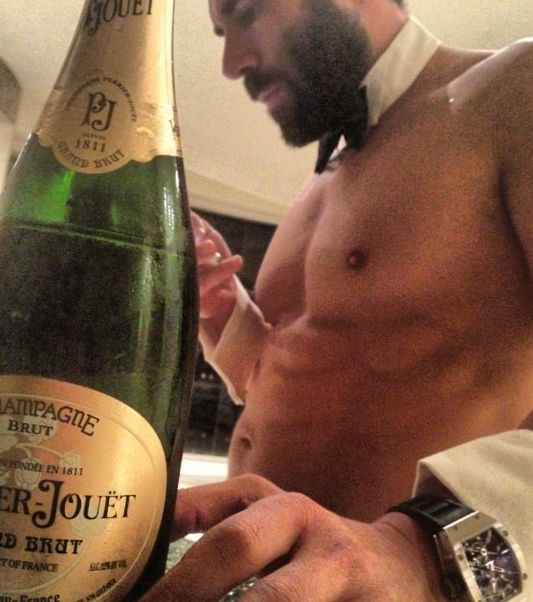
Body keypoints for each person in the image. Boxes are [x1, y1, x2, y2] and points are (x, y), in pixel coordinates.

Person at [143, 0, 533, 599]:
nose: (230, 62)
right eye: (221, 33)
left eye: (246, 11)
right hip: (247, 571)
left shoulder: (514, 91)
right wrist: (221, 311)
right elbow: (306, 375)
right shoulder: (324, 174)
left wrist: (421, 551)